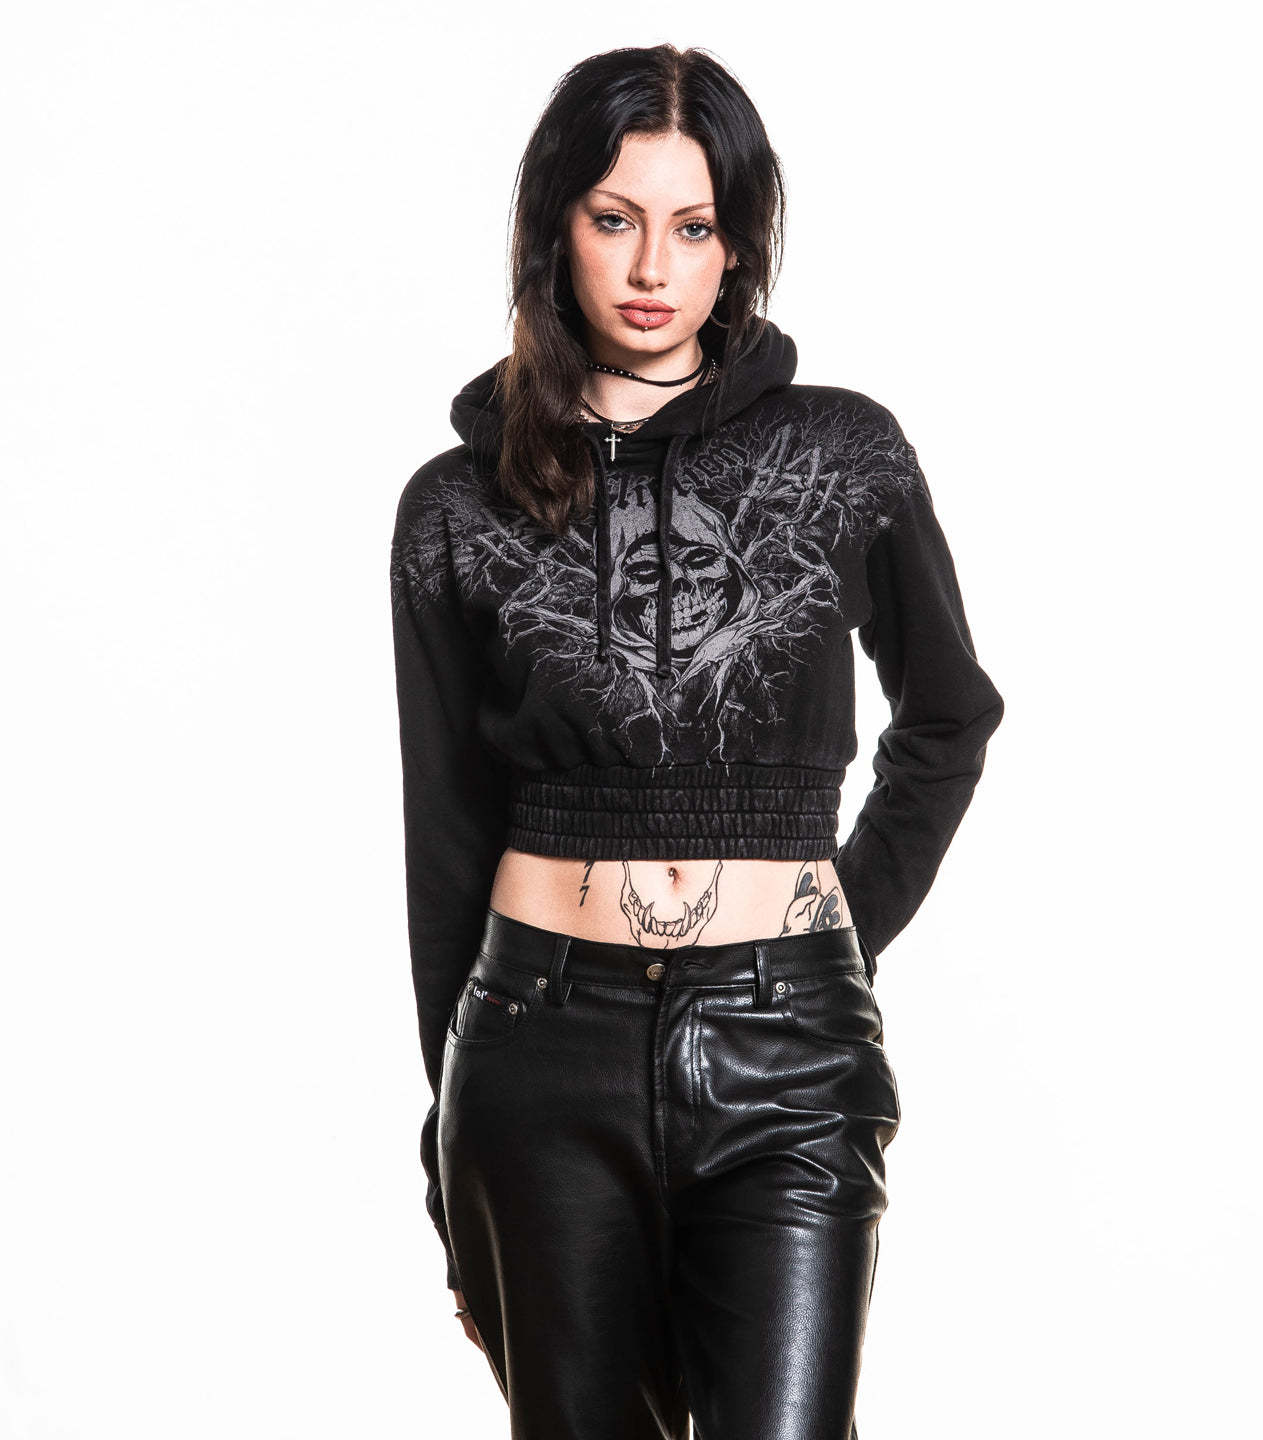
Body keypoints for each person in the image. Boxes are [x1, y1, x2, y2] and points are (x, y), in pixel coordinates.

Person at [389, 42, 1005, 1440]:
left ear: (739, 244)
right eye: (615, 219)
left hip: (792, 1054)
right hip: (538, 1056)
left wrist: (832, 930)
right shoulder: (455, 505)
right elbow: (446, 837)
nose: (652, 267)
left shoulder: (844, 454)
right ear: (556, 227)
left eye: (694, 225)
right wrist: (444, 1140)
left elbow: (950, 712)